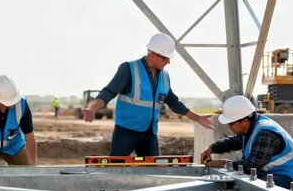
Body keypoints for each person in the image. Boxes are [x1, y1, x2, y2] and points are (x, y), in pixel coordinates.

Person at [84, 32, 213, 156]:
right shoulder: (129, 69)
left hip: (149, 135)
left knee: (154, 171)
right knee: (116, 169)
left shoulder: (165, 77)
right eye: (166, 58)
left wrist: (197, 117)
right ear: (155, 54)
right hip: (125, 133)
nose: (168, 62)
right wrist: (93, 108)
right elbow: (108, 92)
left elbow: (174, 103)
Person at [200, 95, 293, 191]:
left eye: (231, 123)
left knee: (248, 189)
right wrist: (212, 148)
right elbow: (233, 142)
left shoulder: (265, 133)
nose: (228, 126)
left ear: (244, 121)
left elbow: (251, 168)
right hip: (274, 174)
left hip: (290, 179)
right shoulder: (250, 127)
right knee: (243, 184)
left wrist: (224, 163)